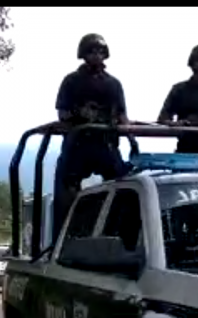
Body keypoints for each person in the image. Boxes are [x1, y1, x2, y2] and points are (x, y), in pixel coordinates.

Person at [52, 33, 130, 242]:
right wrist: (81, 114)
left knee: (124, 185)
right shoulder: (71, 81)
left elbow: (122, 115)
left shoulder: (113, 84)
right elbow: (62, 113)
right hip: (78, 144)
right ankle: (63, 240)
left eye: (100, 52)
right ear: (83, 54)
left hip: (106, 143)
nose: (96, 56)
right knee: (66, 189)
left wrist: (127, 128)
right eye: (92, 51)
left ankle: (120, 237)